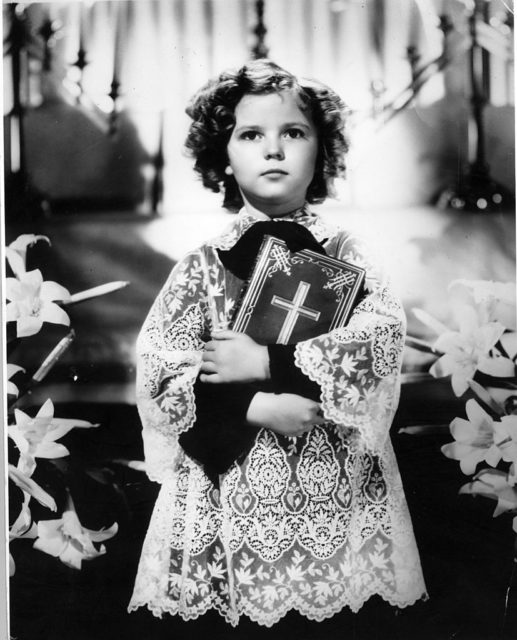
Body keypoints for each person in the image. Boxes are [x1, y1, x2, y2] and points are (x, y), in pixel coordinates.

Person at [128, 59, 426, 629]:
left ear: (322, 153)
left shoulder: (348, 253)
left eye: (293, 133)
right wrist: (256, 404)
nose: (273, 150)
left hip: (332, 485)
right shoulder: (201, 267)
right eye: (251, 135)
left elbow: (380, 342)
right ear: (223, 155)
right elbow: (162, 374)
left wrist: (269, 361)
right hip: (230, 491)